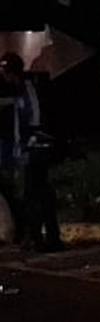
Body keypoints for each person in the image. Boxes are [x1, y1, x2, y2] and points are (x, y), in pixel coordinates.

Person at [0, 53, 61, 252]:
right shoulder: (18, 91)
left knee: (34, 196)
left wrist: (28, 143)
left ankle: (39, 239)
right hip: (29, 149)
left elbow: (33, 118)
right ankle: (44, 238)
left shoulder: (27, 88)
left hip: (35, 149)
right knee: (38, 195)